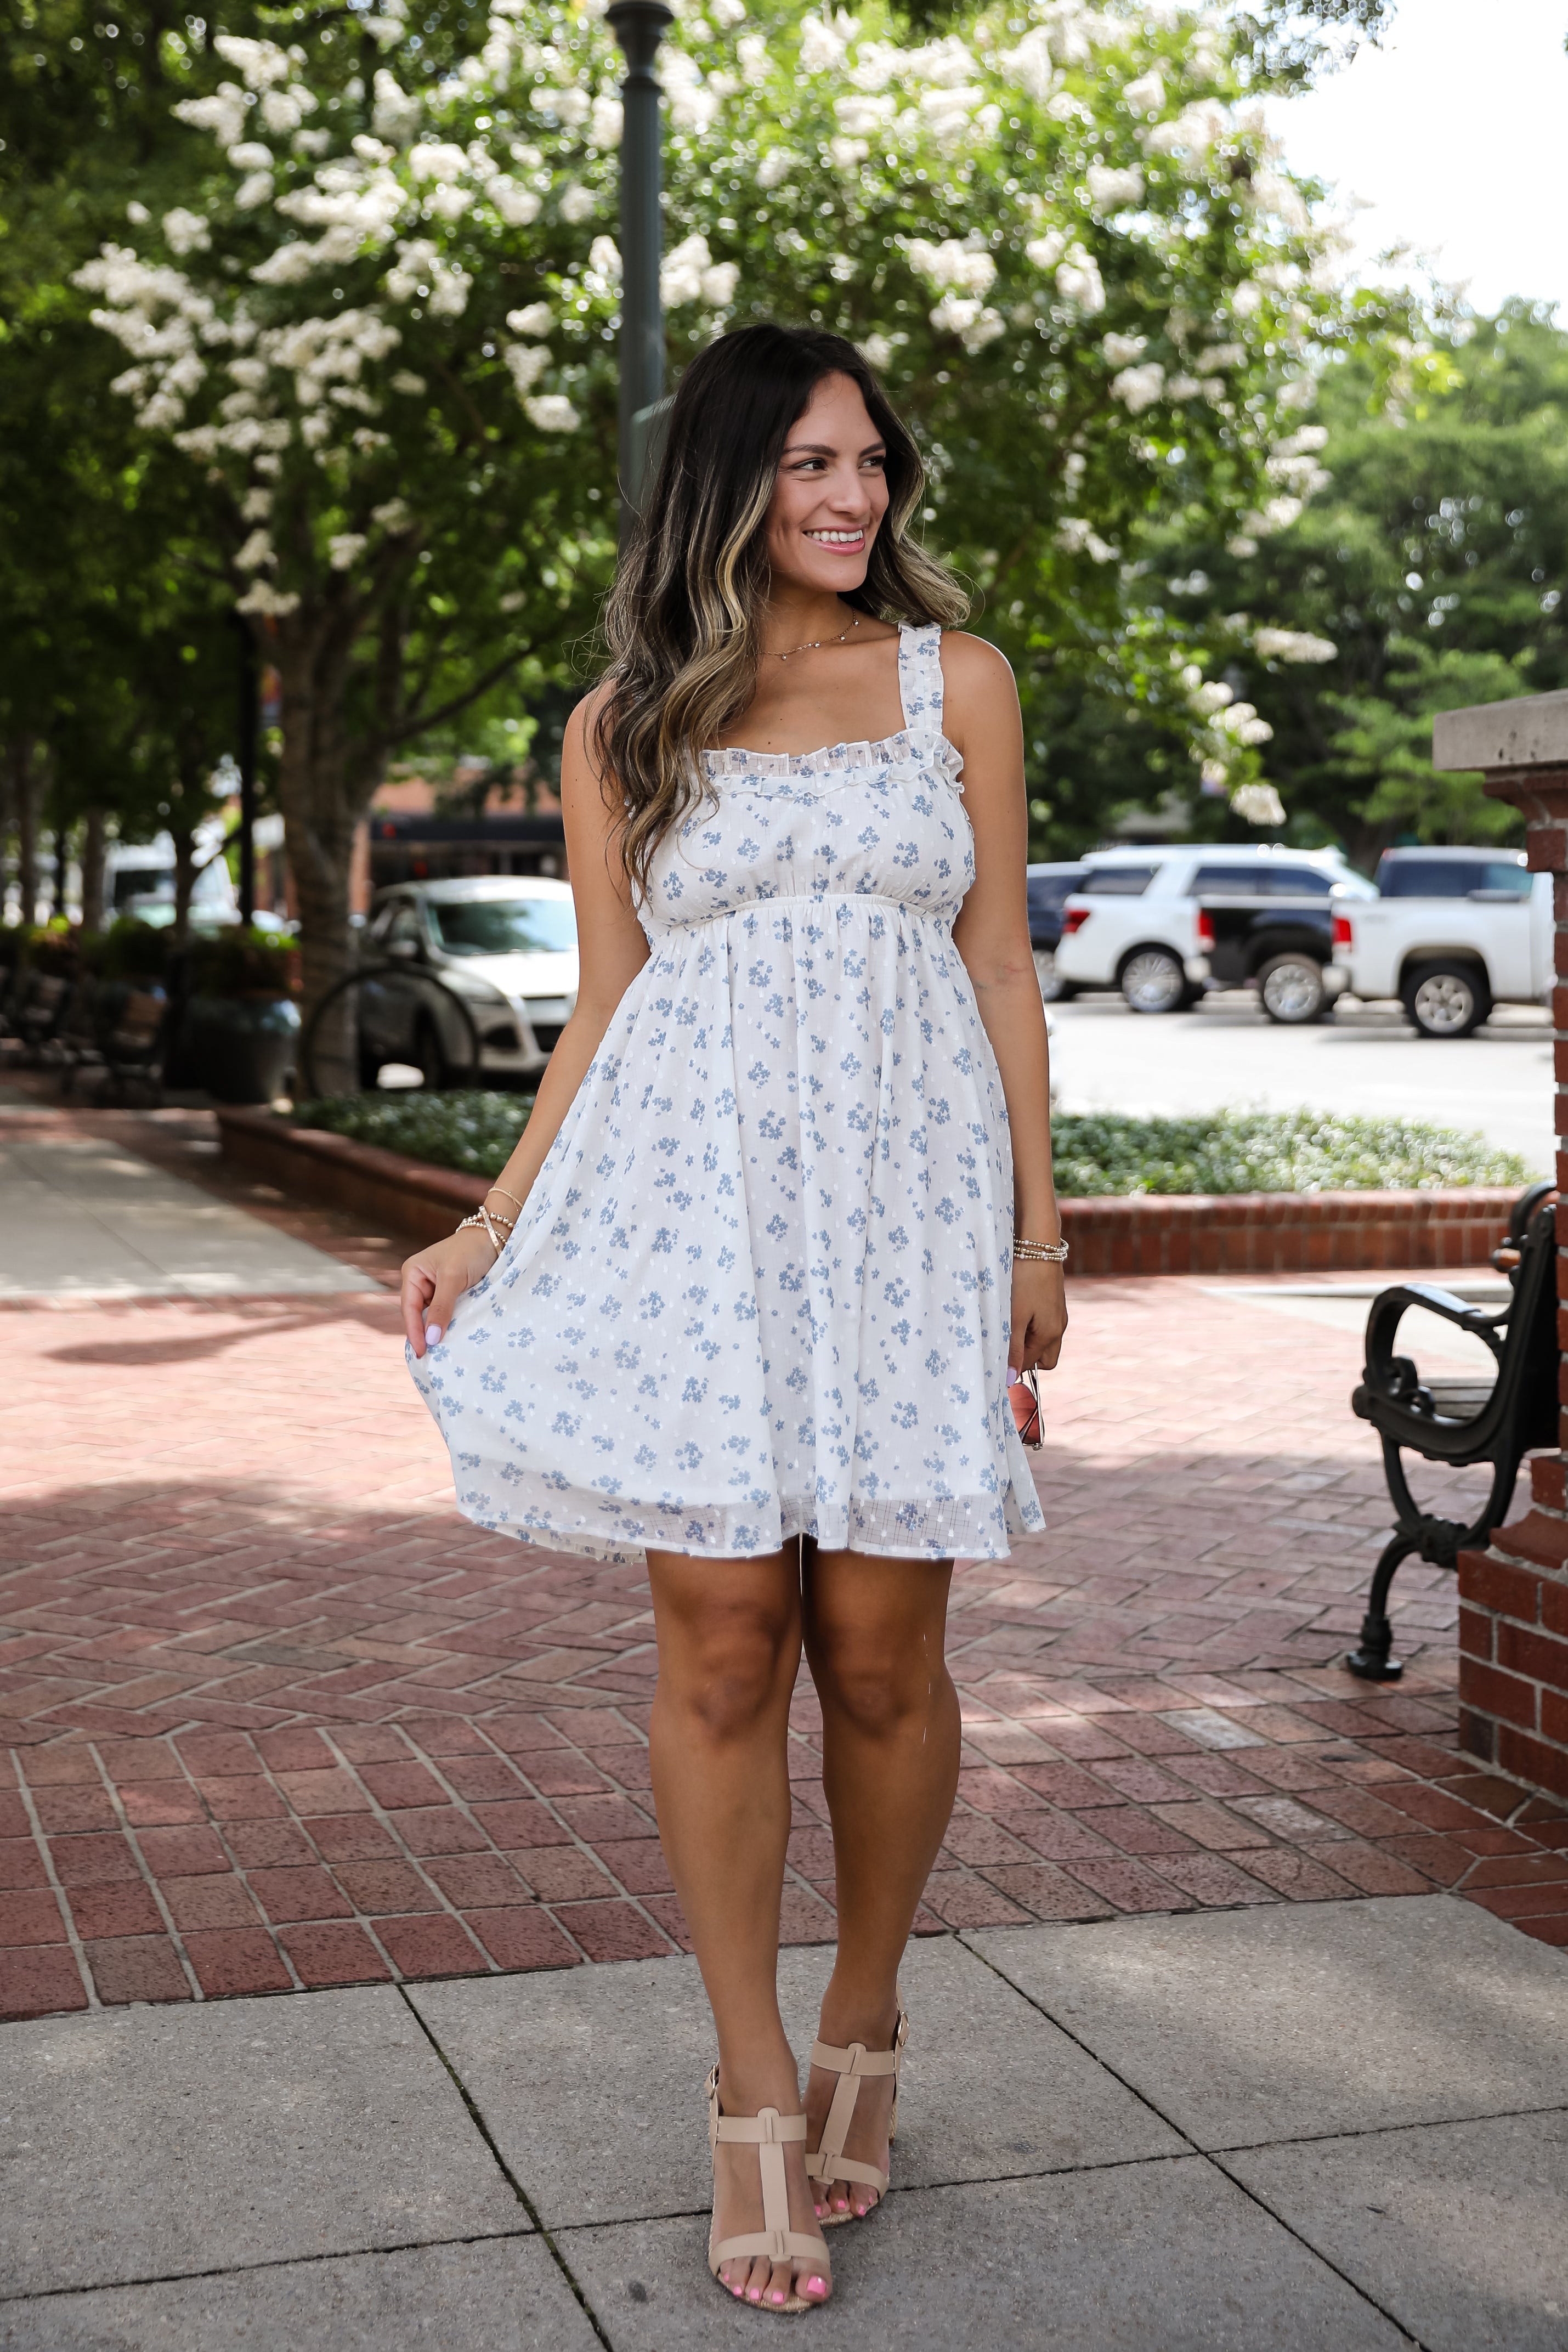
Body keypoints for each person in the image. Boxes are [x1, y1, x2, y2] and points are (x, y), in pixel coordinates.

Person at [401, 321, 1067, 2315]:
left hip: (903, 1217)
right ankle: (751, 2084)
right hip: (698, 1230)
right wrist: (489, 1227)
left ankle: (863, 2014)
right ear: (723, 488)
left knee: (878, 1649)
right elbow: (607, 1006)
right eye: (806, 468)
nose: (851, 499)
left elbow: (1003, 968)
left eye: (869, 463)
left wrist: (1040, 1233)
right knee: (718, 1641)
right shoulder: (630, 725)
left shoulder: (960, 686)